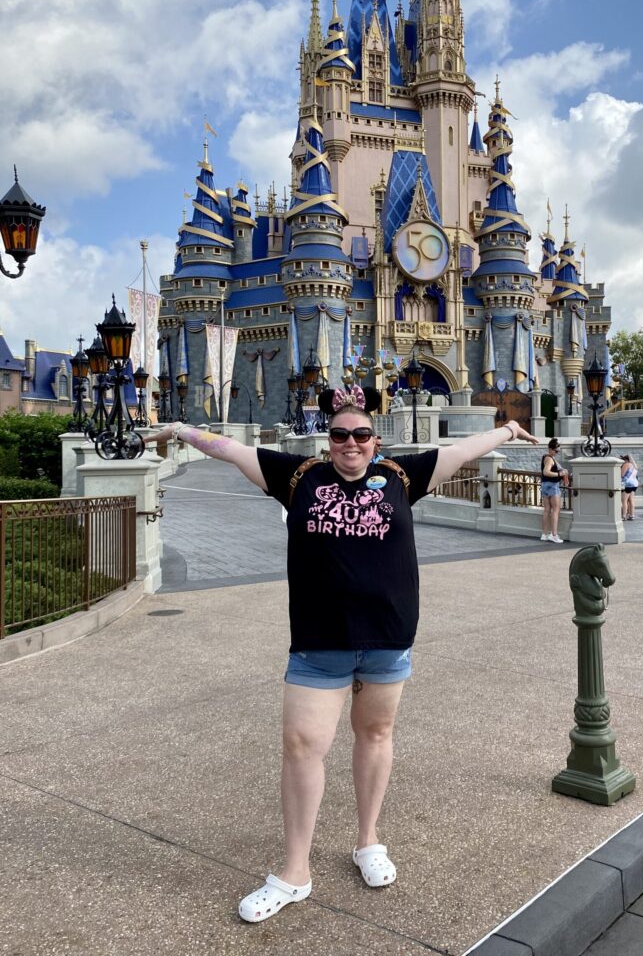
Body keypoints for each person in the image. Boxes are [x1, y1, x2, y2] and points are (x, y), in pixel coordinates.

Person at [149, 386, 539, 922]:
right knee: (302, 745)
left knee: (375, 734)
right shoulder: (298, 477)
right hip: (319, 639)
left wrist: (507, 430)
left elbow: (464, 451)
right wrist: (178, 431)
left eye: (360, 435)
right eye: (339, 436)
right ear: (328, 441)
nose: (350, 444)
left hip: (387, 636)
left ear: (375, 442)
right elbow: (227, 448)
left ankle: (368, 841)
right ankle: (294, 871)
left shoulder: (402, 476)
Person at [540, 437, 568, 544]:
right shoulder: (550, 459)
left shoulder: (546, 457)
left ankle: (544, 534)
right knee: (556, 510)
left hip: (545, 485)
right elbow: (546, 472)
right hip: (552, 485)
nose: (557, 453)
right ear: (551, 449)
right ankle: (554, 535)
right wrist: (559, 474)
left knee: (547, 509)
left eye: (558, 451)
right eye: (556, 451)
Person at [620, 454, 639, 520]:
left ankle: (624, 516)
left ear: (626, 460)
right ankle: (632, 515)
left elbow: (621, 475)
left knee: (624, 500)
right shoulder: (635, 466)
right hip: (634, 484)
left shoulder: (626, 464)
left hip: (627, 484)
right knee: (631, 500)